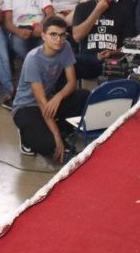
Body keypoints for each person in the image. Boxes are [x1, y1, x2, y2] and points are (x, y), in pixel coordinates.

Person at [11, 16, 89, 163]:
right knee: (50, 146)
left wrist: (58, 97)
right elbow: (41, 103)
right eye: (53, 34)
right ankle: (26, 135)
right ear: (43, 36)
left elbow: (72, 82)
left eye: (62, 35)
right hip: (27, 107)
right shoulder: (33, 59)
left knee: (84, 96)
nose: (58, 39)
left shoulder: (65, 47)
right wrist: (57, 138)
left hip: (49, 100)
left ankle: (56, 130)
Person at [71, 0, 136, 80]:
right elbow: (77, 37)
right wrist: (97, 11)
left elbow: (130, 45)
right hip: (87, 58)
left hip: (113, 58)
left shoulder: (123, 11)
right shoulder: (82, 8)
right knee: (72, 62)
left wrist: (112, 52)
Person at [1, 0, 55, 66]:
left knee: (48, 47)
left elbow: (50, 13)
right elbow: (7, 22)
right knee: (19, 48)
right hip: (19, 31)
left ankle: (34, 69)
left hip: (39, 29)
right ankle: (35, 68)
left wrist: (41, 26)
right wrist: (18, 31)